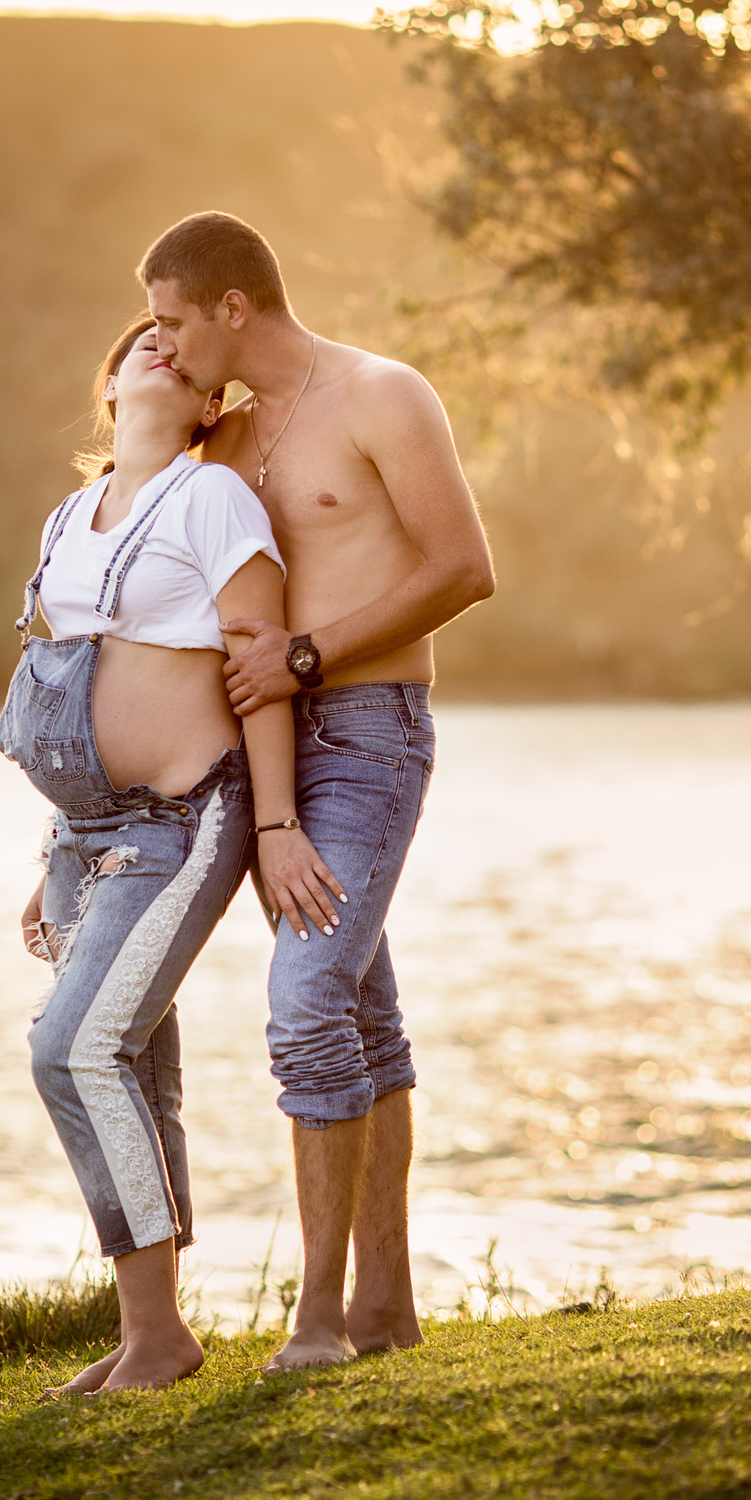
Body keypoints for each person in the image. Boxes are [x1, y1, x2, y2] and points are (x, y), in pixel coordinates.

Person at [140, 211, 496, 1370]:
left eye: (171, 320)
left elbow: (463, 568)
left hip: (370, 735)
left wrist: (307, 655)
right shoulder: (227, 441)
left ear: (233, 306)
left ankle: (319, 1320)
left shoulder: (383, 395)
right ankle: (385, 1311)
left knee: (303, 1006)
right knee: (358, 1015)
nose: (162, 341)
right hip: (267, 751)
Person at [1, 313, 347, 1392]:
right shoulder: (69, 517)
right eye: (135, 339)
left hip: (179, 817)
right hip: (83, 833)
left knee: (73, 1048)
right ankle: (149, 1329)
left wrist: (276, 825)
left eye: (175, 339)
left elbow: (260, 668)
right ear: (108, 388)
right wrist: (49, 852)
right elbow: (66, 685)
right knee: (130, 1060)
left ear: (207, 403)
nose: (156, 342)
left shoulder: (213, 498)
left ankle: (158, 1334)